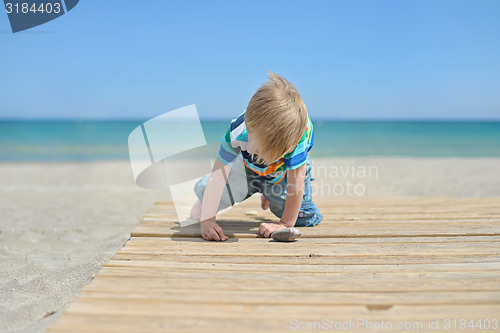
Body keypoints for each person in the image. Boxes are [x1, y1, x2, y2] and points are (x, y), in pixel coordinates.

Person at [190, 71, 322, 241]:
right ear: (249, 129)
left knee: (304, 217)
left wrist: (285, 224)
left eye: (273, 155)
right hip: (247, 168)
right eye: (260, 151)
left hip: (282, 175)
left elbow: (296, 184)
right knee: (211, 189)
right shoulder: (237, 133)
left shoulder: (297, 138)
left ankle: (267, 191)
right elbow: (219, 177)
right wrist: (207, 220)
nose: (265, 159)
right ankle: (204, 199)